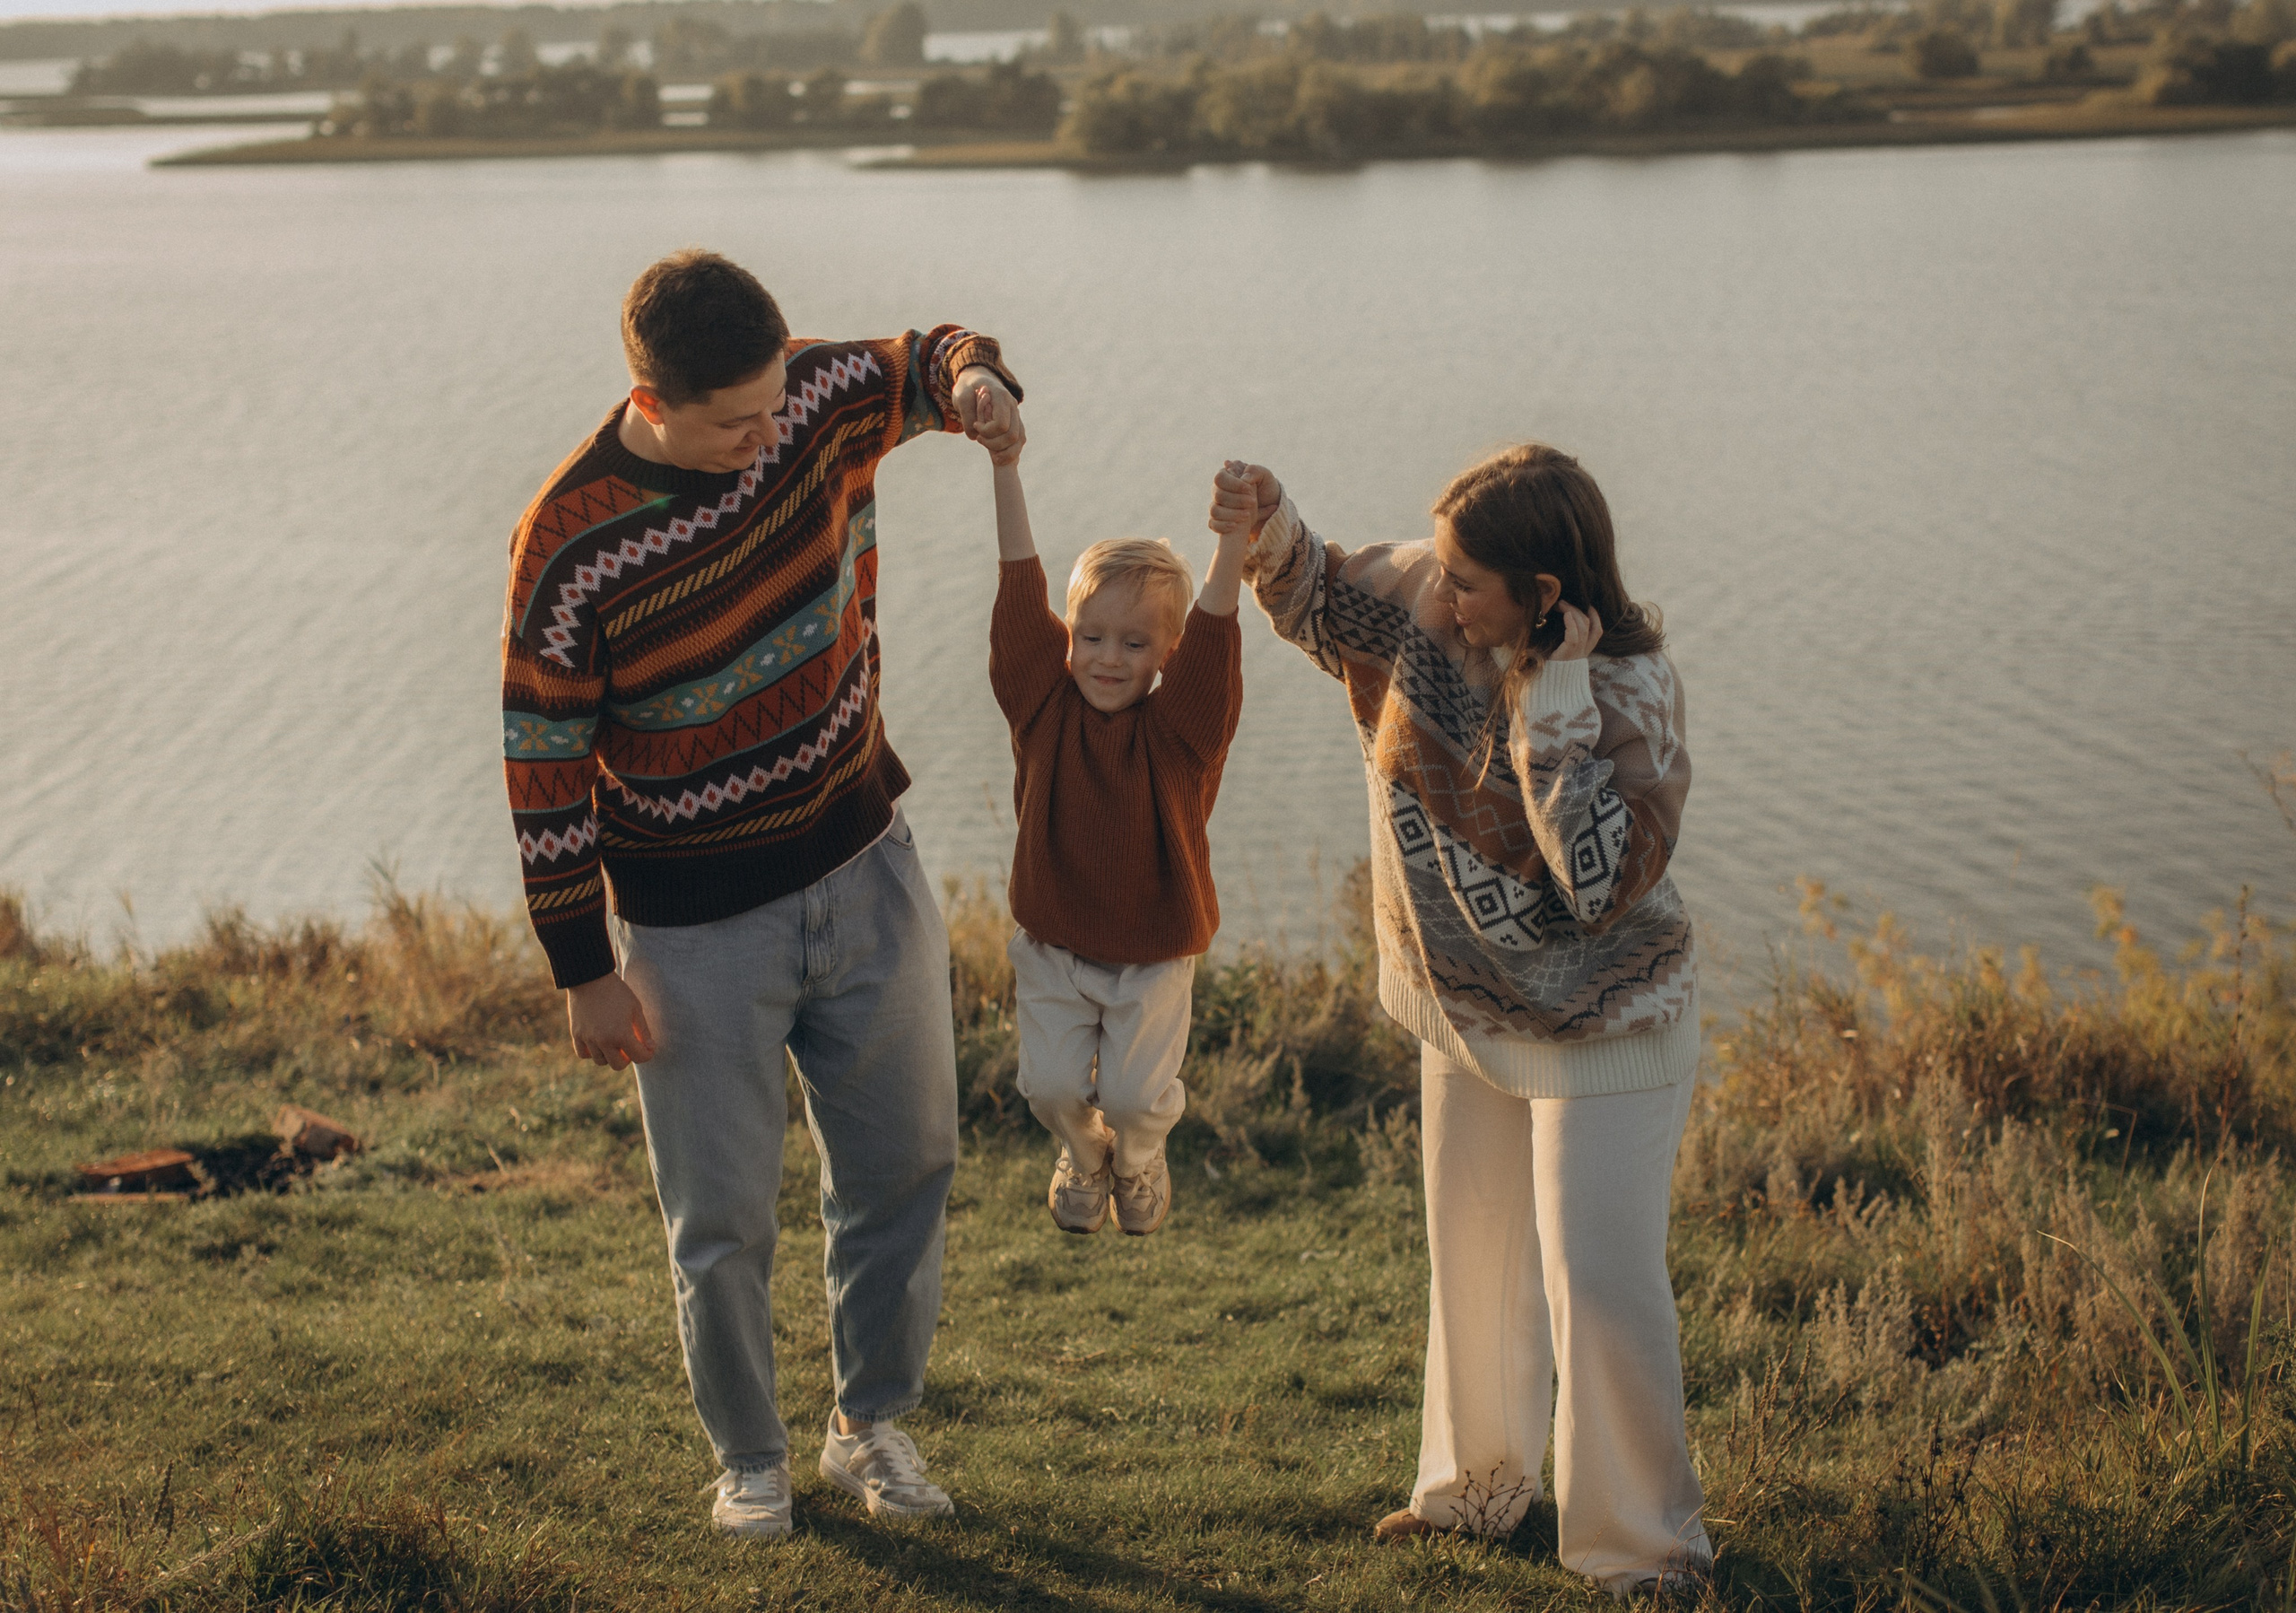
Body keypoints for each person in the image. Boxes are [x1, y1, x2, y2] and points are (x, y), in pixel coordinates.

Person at [500, 248, 1022, 1540]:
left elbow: (926, 353)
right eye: (735, 421)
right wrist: (581, 965)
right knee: (722, 1217)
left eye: (773, 404)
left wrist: (977, 381)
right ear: (651, 396)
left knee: (910, 1161)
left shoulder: (805, 399)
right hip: (690, 929)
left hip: (863, 858)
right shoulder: (567, 543)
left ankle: (870, 1424)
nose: (764, 436)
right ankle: (751, 1457)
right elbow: (543, 759)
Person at [1207, 445, 1709, 1596]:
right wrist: (1266, 508)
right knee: (1473, 1251)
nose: (1438, 593)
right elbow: (1317, 595)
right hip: (1466, 1007)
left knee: (1600, 1281)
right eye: (1439, 565)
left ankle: (1642, 1550)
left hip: (1607, 1028)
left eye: (1469, 580)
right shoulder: (1423, 598)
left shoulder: (1634, 694)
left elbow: (1594, 877)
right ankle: (1474, 1493)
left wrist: (1557, 701)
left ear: (1544, 596)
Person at [975, 399, 1246, 1237]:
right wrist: (1004, 464)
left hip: (1155, 948)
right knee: (1051, 1089)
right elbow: (1020, 591)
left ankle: (1136, 1158)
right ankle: (1081, 1152)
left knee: (1135, 1098)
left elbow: (1214, 635)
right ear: (1067, 639)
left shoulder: (1180, 735)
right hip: (1055, 941)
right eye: (1090, 636)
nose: (1106, 657)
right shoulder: (1040, 707)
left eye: (1134, 644)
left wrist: (1233, 541)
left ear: (1165, 656)